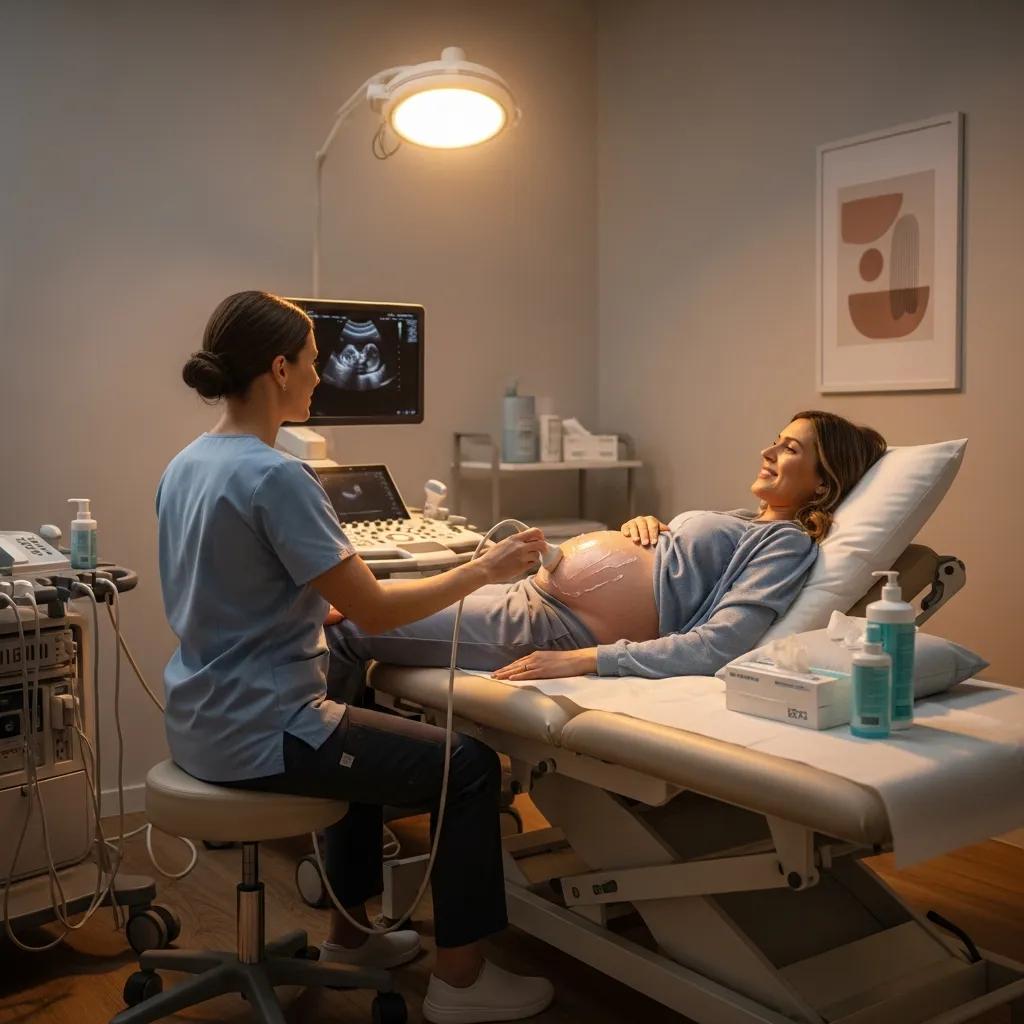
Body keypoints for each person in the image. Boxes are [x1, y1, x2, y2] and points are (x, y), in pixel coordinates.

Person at [156, 291, 556, 1024]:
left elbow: (229, 584)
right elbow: (374, 608)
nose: (321, 378)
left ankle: (351, 937)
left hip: (199, 718)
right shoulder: (277, 476)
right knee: (465, 767)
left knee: (358, 711)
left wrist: (311, 604)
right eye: (312, 362)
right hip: (262, 727)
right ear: (279, 369)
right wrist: (482, 571)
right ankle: (463, 985)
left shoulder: (188, 463)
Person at [327, 411, 887, 684]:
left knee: (346, 627)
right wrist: (642, 528)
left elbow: (719, 644)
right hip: (532, 596)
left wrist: (584, 660)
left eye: (789, 449)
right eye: (775, 439)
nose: (769, 451)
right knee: (344, 608)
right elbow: (679, 571)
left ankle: (326, 803)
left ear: (822, 481)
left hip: (556, 626)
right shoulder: (744, 521)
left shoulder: (787, 544)